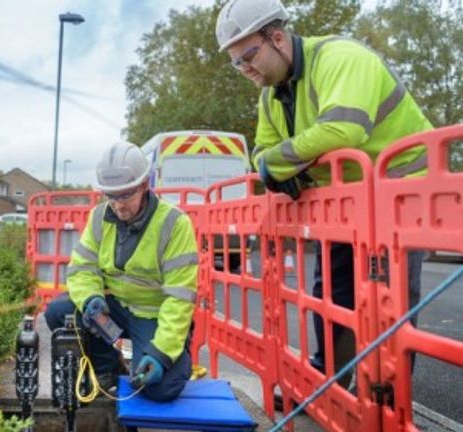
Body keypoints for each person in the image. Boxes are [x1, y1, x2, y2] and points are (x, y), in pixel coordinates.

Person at [215, 0, 431, 396]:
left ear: (277, 38)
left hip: (402, 195)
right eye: (236, 63)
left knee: (390, 301)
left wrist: (277, 167)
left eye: (248, 56)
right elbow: (260, 151)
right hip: (344, 205)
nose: (245, 69)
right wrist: (278, 164)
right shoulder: (269, 96)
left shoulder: (340, 57)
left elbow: (342, 131)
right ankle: (328, 384)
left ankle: (387, 397)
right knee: (332, 295)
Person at [44, 142, 198, 402]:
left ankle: (175, 354)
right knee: (59, 313)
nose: (117, 205)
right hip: (113, 308)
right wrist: (91, 299)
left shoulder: (175, 224)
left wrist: (161, 353)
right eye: (110, 196)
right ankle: (108, 368)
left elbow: (180, 297)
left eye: (125, 196)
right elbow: (82, 268)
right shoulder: (98, 217)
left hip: (154, 316)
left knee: (160, 390)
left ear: (144, 185)